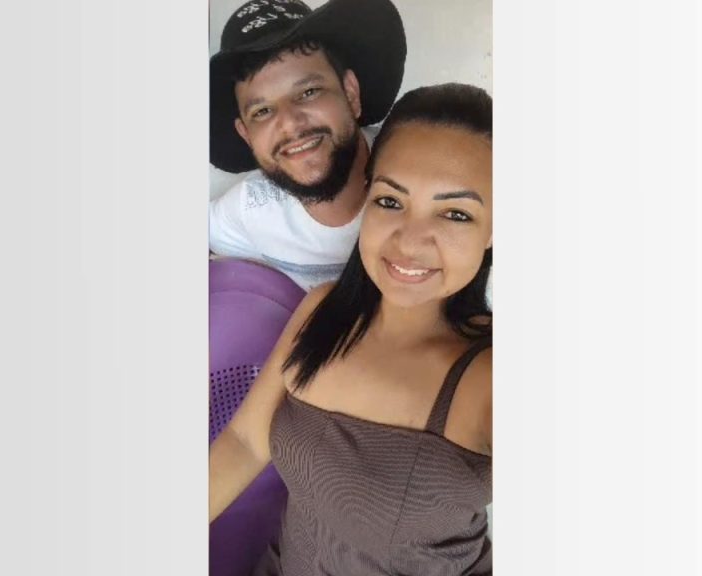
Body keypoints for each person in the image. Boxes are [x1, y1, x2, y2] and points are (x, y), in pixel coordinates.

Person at [209, 83, 494, 575]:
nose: (410, 241)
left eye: (455, 214)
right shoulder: (325, 311)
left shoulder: (489, 376)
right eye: (391, 201)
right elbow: (245, 442)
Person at [208, 0, 407, 291]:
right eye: (262, 111)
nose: (290, 124)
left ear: (351, 94)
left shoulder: (416, 169)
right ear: (246, 135)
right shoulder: (250, 208)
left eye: (309, 92)